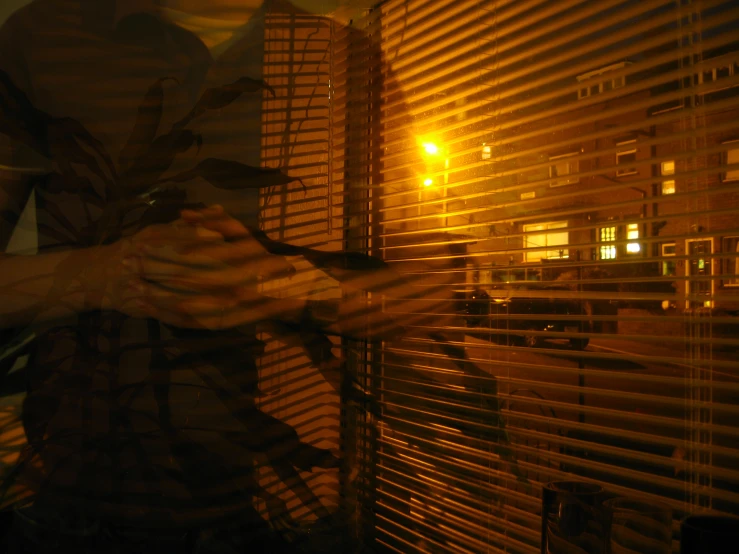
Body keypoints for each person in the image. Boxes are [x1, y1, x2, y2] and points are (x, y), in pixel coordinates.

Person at [0, 0, 413, 551]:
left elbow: (420, 299)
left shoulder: (338, 56)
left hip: (288, 515)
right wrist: (108, 273)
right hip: (80, 502)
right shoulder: (44, 36)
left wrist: (272, 285)